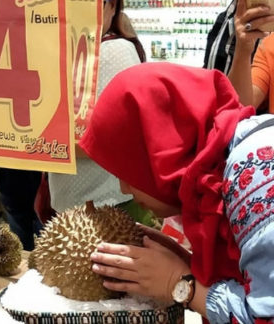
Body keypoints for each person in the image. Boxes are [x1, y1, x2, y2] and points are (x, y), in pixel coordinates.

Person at [81, 63, 274, 323]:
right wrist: (184, 262)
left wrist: (180, 283)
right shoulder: (228, 159)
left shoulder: (253, 176)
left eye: (128, 171)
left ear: (158, 151)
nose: (123, 188)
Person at [48, 0, 156, 226]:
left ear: (111, 5)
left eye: (89, 1)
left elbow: (108, 139)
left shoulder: (113, 51)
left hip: (108, 206)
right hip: (78, 204)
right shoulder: (71, 52)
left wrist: (40, 144)